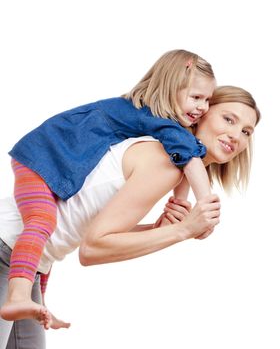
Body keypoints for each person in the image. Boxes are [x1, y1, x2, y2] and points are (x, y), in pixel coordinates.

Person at [0, 85, 261, 348]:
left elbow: (96, 230)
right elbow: (91, 249)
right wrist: (182, 231)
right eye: (229, 119)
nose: (236, 135)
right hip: (6, 250)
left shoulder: (172, 162)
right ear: (201, 114)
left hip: (29, 264)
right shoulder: (165, 163)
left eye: (246, 131)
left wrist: (156, 229)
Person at [1, 49, 217, 323]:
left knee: (47, 250)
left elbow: (182, 157)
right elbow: (188, 154)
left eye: (208, 100)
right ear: (168, 88)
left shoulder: (147, 119)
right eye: (196, 97)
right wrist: (205, 206)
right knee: (42, 220)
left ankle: (37, 305)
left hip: (48, 159)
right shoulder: (153, 118)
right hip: (40, 156)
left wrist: (177, 204)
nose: (203, 108)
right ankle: (18, 296)